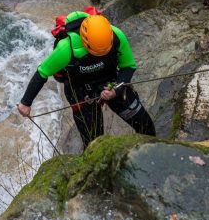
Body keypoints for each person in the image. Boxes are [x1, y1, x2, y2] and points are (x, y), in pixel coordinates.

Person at [17, 10, 156, 147]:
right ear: (85, 40)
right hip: (80, 91)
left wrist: (116, 89)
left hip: (111, 81)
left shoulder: (117, 35)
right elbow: (42, 72)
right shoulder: (66, 48)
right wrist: (26, 102)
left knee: (145, 125)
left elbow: (128, 66)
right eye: (97, 51)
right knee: (94, 143)